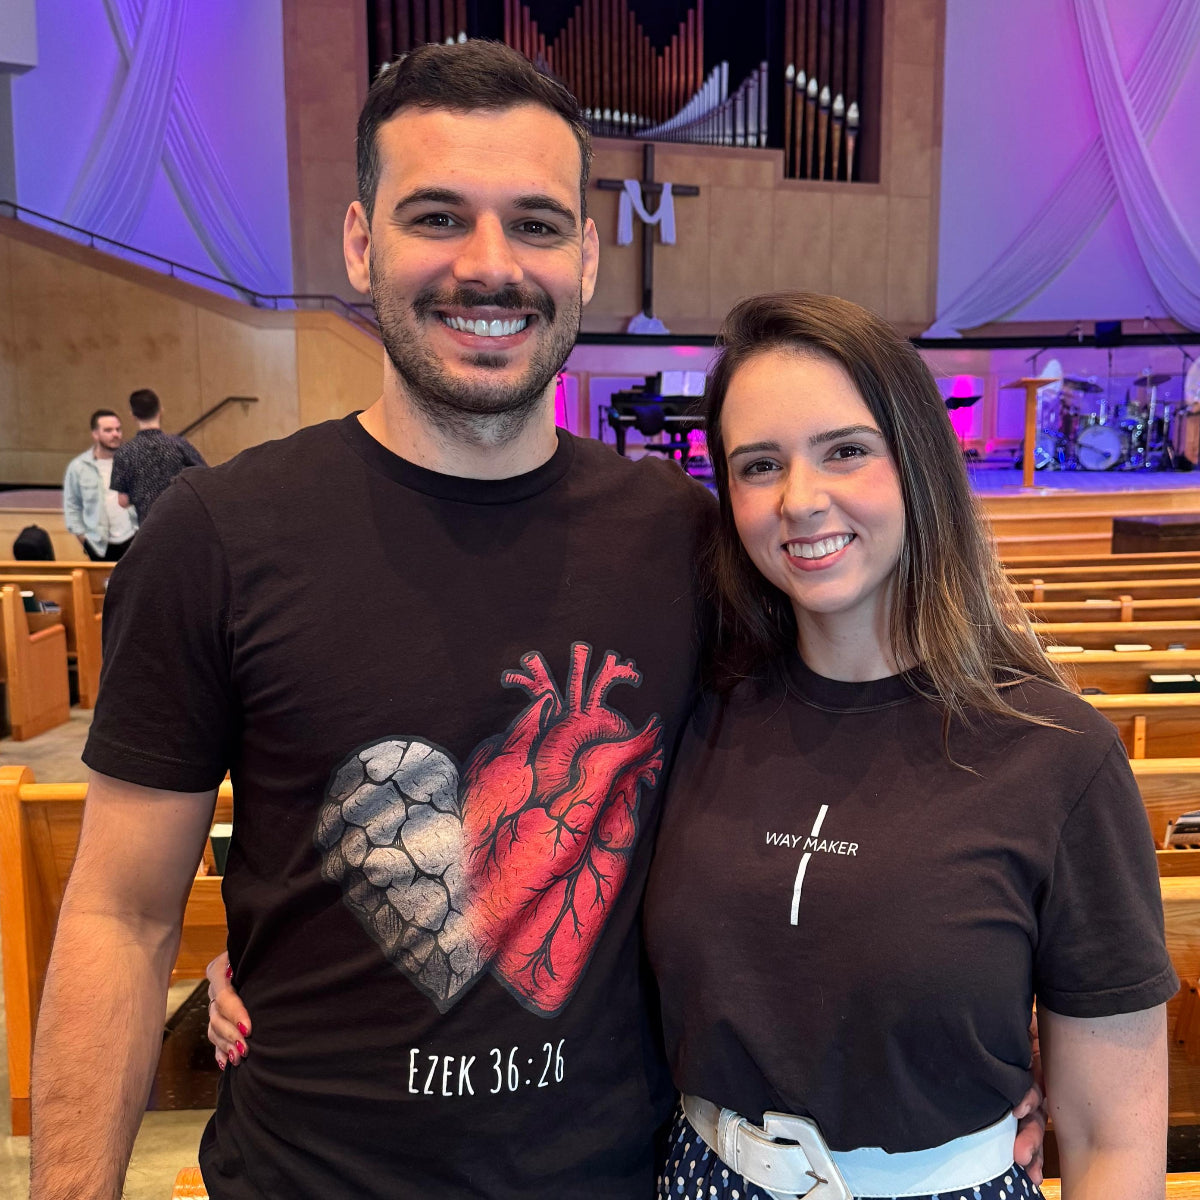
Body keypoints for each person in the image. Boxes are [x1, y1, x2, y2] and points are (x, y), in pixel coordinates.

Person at [29, 41, 713, 1200]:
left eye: (538, 225)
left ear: (589, 257)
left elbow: (816, 810)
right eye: (437, 216)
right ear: (361, 242)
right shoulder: (219, 537)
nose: (491, 267)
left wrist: (971, 1046)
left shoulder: (685, 539)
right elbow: (120, 916)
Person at [639, 293, 1174, 1198]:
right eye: (759, 465)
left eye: (845, 450)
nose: (801, 501)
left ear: (918, 459)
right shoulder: (698, 712)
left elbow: (1109, 1136)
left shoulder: (1057, 757)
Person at [109, 387, 207, 520]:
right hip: (183, 520)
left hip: (149, 526)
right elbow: (205, 476)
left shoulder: (125, 452)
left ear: (133, 416)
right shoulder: (179, 444)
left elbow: (123, 501)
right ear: (160, 411)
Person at [62, 409, 138, 561]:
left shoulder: (132, 462)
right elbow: (72, 508)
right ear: (95, 434)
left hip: (133, 539)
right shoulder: (79, 467)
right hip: (99, 546)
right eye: (108, 430)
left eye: (118, 429)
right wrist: (85, 542)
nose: (115, 434)